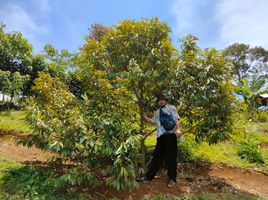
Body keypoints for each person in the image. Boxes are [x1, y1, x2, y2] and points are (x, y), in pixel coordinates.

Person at [142, 94, 182, 188]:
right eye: (159, 100)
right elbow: (151, 121)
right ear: (158, 102)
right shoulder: (157, 112)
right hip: (161, 137)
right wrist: (142, 114)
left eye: (163, 99)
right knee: (156, 157)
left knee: (171, 158)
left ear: (166, 100)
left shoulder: (171, 108)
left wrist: (178, 129)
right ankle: (149, 177)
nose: (161, 101)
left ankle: (172, 179)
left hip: (170, 135)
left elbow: (176, 119)